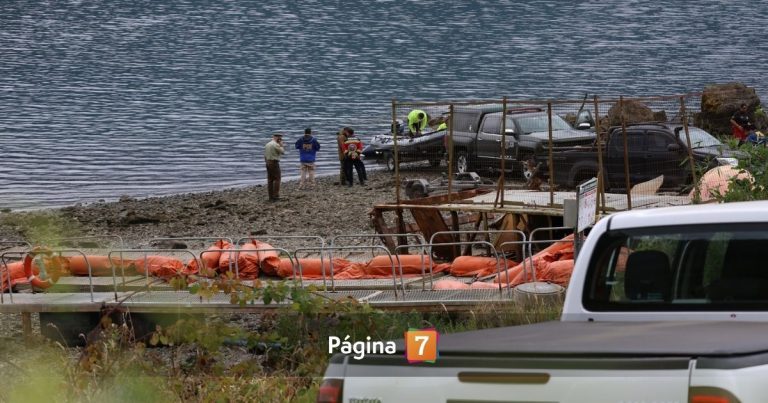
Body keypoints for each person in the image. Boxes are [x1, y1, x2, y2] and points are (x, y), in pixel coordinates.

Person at [264, 133, 285, 201]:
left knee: (270, 180)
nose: (281, 139)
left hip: (268, 162)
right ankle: (276, 196)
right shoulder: (275, 144)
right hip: (274, 163)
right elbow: (282, 152)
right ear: (277, 138)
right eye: (280, 138)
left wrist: (266, 162)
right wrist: (281, 145)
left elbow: (265, 155)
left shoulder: (267, 144)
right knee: (277, 179)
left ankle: (270, 196)